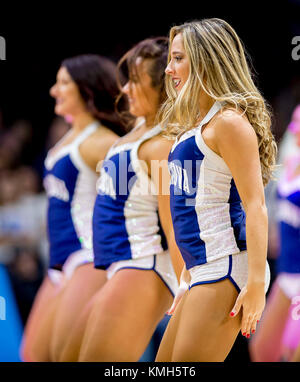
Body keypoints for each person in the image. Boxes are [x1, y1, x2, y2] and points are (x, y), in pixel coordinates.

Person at [154, 18, 277, 362]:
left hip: (226, 265)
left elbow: (256, 206)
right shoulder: (192, 126)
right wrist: (185, 276)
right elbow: (188, 209)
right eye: (169, 59)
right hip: (201, 271)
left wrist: (255, 284)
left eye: (178, 58)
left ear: (205, 60)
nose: (168, 68)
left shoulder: (228, 123)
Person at [61, 37, 181, 362]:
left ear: (164, 87)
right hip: (122, 264)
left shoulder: (163, 145)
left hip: (145, 263)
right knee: (68, 356)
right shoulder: (139, 130)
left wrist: (186, 286)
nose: (125, 88)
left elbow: (174, 224)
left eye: (136, 81)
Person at [20, 54, 126, 362]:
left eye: (63, 83)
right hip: (58, 263)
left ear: (86, 90)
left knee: (69, 356)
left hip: (89, 256)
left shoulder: (102, 143)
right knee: (32, 353)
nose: (54, 90)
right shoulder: (68, 138)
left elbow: (133, 197)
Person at [249, 104, 300, 362]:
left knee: (292, 351)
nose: (295, 128)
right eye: (294, 120)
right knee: (262, 349)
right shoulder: (291, 160)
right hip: (286, 272)